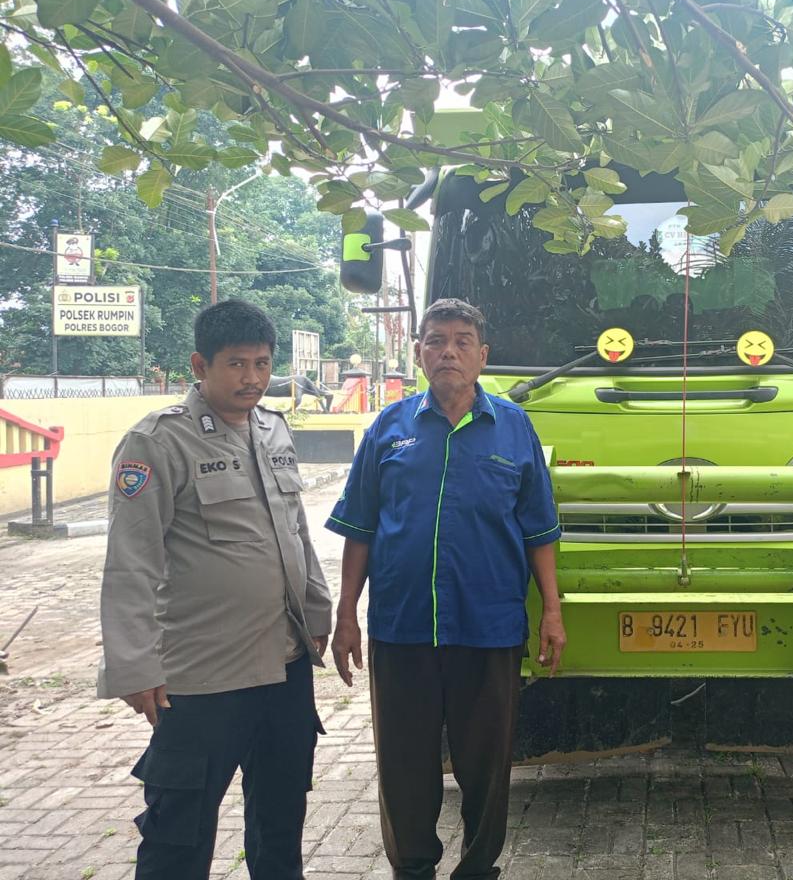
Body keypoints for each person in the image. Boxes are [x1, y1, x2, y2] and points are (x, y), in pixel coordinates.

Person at [326, 297, 566, 880]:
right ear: (418, 354)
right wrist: (346, 614)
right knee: (404, 763)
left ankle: (479, 867)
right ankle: (413, 867)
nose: (448, 351)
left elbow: (539, 529)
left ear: (482, 357)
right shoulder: (389, 428)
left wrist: (553, 611)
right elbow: (360, 527)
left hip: (488, 626)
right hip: (403, 626)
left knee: (487, 764)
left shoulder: (514, 427)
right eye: (436, 340)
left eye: (462, 341)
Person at [98, 299, 332, 880]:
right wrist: (133, 665)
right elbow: (130, 561)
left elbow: (296, 530)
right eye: (236, 364)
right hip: (201, 678)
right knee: (179, 834)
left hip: (283, 667)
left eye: (261, 363)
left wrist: (318, 614)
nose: (252, 378)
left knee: (281, 825)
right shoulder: (157, 443)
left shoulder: (274, 429)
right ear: (200, 365)